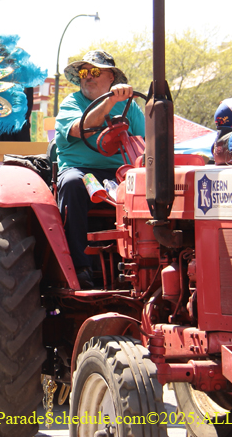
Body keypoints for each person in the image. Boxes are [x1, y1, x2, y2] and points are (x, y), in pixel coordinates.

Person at [55, 50, 145, 289]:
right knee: (74, 183)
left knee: (149, 186)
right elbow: (82, 127)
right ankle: (80, 267)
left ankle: (142, 265)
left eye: (95, 71)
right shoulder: (72, 103)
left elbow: (145, 142)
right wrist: (110, 102)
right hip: (82, 171)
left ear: (112, 79)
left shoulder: (129, 107)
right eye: (84, 72)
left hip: (119, 173)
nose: (88, 77)